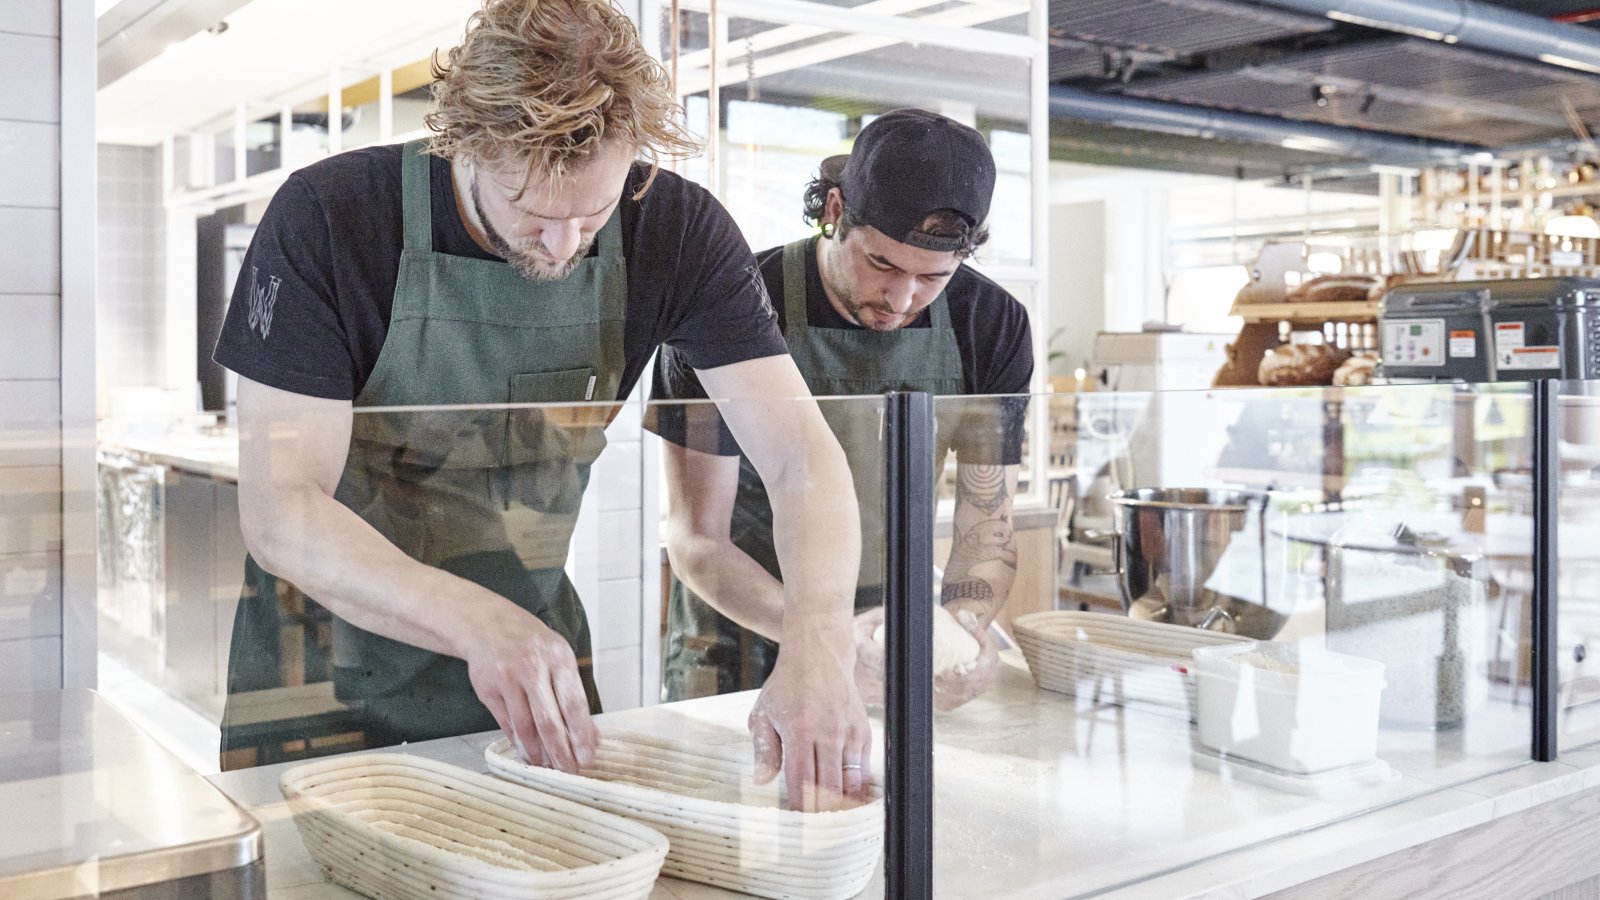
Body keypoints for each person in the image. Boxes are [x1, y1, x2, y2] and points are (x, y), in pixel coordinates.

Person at [212, 0, 871, 811]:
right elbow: (282, 506)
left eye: (591, 218)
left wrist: (816, 636)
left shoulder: (676, 231)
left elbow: (801, 458)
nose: (563, 247)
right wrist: (478, 624)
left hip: (535, 672)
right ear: (462, 143)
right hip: (321, 678)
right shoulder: (331, 218)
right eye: (532, 216)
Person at [652, 109, 1034, 711]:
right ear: (834, 212)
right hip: (746, 633)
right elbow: (698, 537)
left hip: (892, 637)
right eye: (882, 264)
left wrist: (959, 632)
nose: (901, 298)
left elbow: (988, 524)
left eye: (933, 276)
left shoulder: (991, 325)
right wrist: (824, 636)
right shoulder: (730, 307)